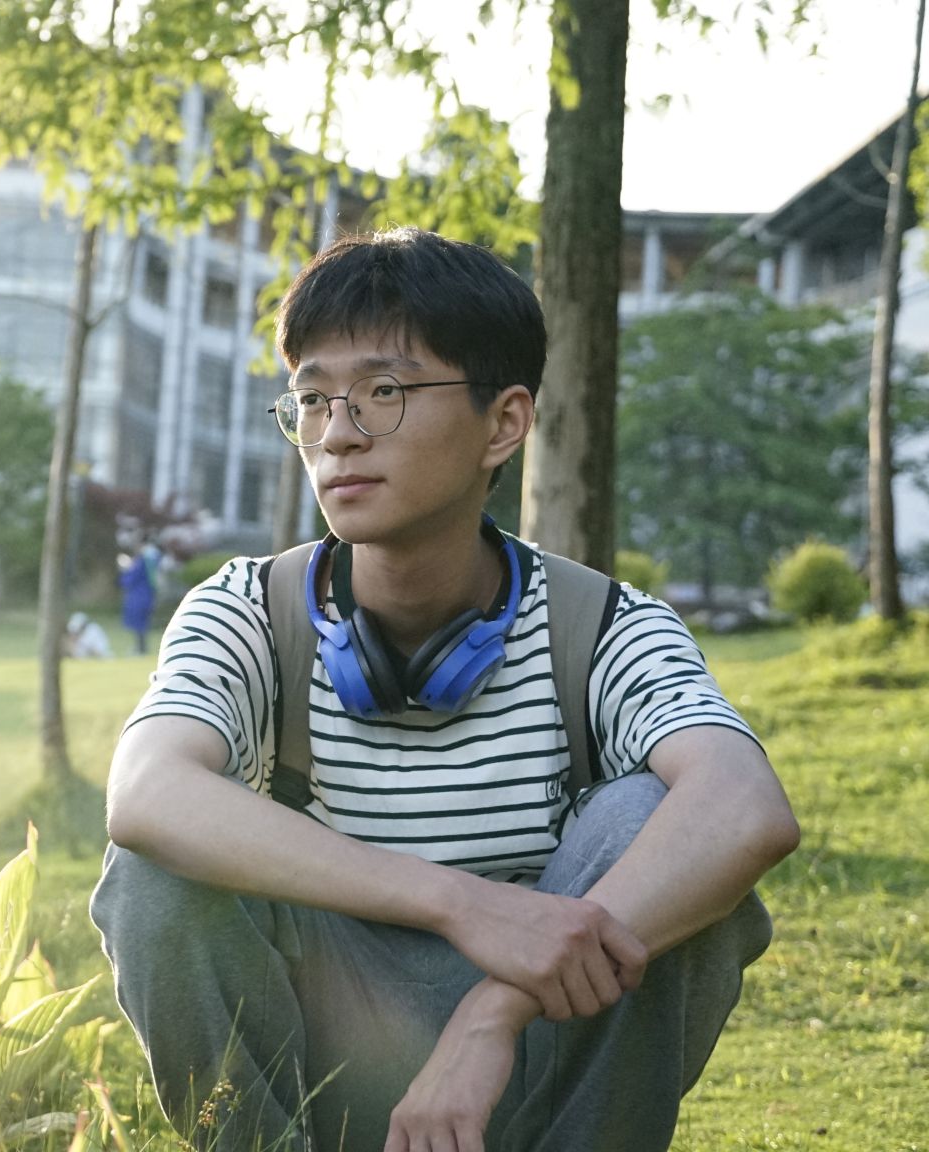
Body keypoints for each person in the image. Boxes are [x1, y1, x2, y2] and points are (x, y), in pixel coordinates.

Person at [91, 228, 799, 1151]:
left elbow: (746, 807)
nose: (337, 434)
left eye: (384, 392)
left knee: (653, 820)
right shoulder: (249, 610)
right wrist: (463, 904)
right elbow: (145, 794)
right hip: (317, 1066)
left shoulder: (602, 628)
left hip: (536, 1058)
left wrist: (491, 1015)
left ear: (503, 424)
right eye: (313, 399)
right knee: (159, 870)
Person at [118, 548, 158, 654]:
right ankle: (141, 647)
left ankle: (141, 648)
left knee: (139, 625)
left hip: (138, 598)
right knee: (142, 625)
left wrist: (124, 570)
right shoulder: (148, 562)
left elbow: (127, 581)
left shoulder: (139, 564)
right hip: (147, 597)